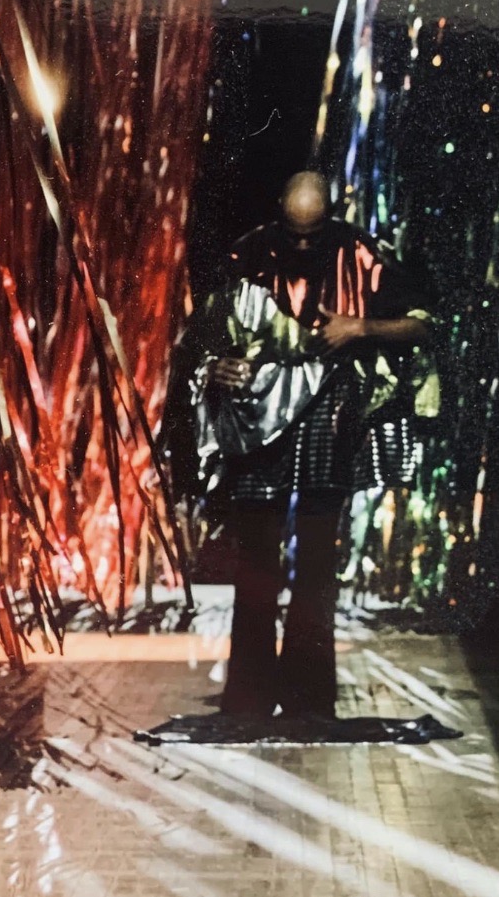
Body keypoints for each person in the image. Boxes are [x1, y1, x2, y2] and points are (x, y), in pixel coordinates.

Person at [184, 172, 436, 720]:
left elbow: (422, 326)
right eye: (293, 234)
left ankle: (308, 698)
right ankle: (248, 697)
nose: (301, 246)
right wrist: (215, 367)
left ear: (332, 216)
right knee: (255, 556)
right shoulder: (247, 252)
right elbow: (200, 339)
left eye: (312, 235)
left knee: (318, 556)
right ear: (279, 210)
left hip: (330, 415)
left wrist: (361, 327)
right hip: (256, 419)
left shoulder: (362, 254)